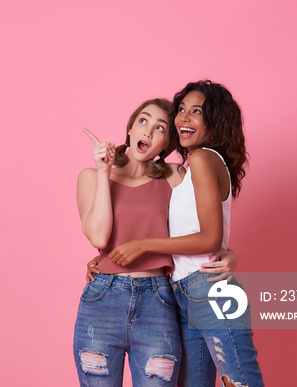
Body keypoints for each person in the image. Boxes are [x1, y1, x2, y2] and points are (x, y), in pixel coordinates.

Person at [107, 81, 264, 387]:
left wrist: (142, 245)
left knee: (243, 383)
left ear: (215, 121)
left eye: (197, 112)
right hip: (183, 294)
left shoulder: (205, 158)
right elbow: (175, 229)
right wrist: (105, 259)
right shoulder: (189, 170)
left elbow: (208, 238)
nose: (184, 118)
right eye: (181, 110)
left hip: (208, 291)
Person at [73, 98, 238, 387]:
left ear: (166, 144)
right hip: (102, 302)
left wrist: (229, 252)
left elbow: (204, 227)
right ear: (130, 129)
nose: (148, 132)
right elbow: (99, 237)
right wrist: (104, 172)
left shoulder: (174, 177)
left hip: (157, 303)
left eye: (160, 128)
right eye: (143, 121)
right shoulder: (91, 177)